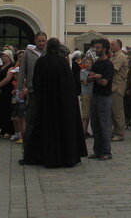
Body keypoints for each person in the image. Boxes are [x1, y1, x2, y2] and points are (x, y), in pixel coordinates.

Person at [21, 38, 87, 167]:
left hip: (46, 104)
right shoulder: (62, 63)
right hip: (62, 104)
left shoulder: (41, 62)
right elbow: (69, 85)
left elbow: (36, 83)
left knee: (43, 128)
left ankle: (44, 156)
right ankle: (65, 156)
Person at [87, 38, 114, 161]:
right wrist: (95, 77)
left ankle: (106, 151)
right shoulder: (96, 63)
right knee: (95, 123)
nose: (96, 50)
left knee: (104, 123)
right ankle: (97, 150)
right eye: (95, 47)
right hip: (95, 95)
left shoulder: (108, 64)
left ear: (104, 49)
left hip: (104, 96)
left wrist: (97, 77)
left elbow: (104, 82)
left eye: (98, 48)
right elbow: (89, 78)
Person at [20, 32, 47, 145]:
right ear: (35, 41)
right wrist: (20, 87)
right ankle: (28, 142)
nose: (41, 43)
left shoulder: (47, 53)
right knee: (31, 117)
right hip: (32, 89)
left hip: (45, 89)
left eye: (43, 41)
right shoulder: (28, 53)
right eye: (39, 41)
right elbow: (22, 70)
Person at [0, 50, 16, 139]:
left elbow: (8, 78)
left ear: (9, 57)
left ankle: (8, 130)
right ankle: (1, 128)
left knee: (6, 110)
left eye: (5, 56)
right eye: (2, 56)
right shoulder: (0, 67)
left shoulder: (11, 67)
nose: (3, 58)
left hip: (6, 90)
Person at [109, 39, 128, 142]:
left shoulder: (120, 56)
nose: (110, 46)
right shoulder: (114, 55)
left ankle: (120, 133)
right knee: (113, 111)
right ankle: (115, 131)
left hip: (117, 87)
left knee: (117, 112)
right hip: (113, 86)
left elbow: (113, 69)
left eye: (112, 45)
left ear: (118, 46)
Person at [79, 53, 93, 138]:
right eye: (86, 63)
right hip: (85, 94)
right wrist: (93, 77)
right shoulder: (82, 72)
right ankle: (83, 131)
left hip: (92, 94)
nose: (88, 65)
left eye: (89, 63)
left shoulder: (93, 72)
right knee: (85, 115)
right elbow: (84, 82)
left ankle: (87, 131)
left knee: (90, 114)